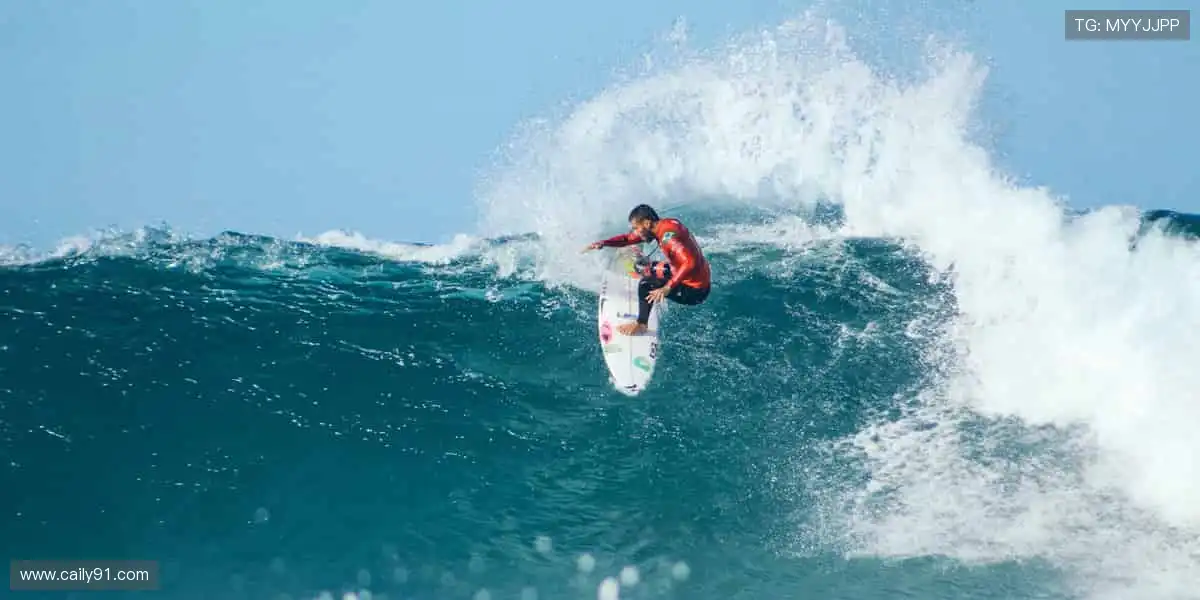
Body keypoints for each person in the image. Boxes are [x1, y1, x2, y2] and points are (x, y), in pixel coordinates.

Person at [582, 204, 711, 336]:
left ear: (647, 223)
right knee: (645, 268)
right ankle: (655, 284)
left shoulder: (668, 239)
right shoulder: (665, 225)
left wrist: (667, 287)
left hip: (695, 291)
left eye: (636, 228)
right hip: (696, 275)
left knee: (645, 284)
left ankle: (641, 324)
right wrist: (604, 243)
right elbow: (628, 239)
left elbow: (690, 262)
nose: (635, 232)